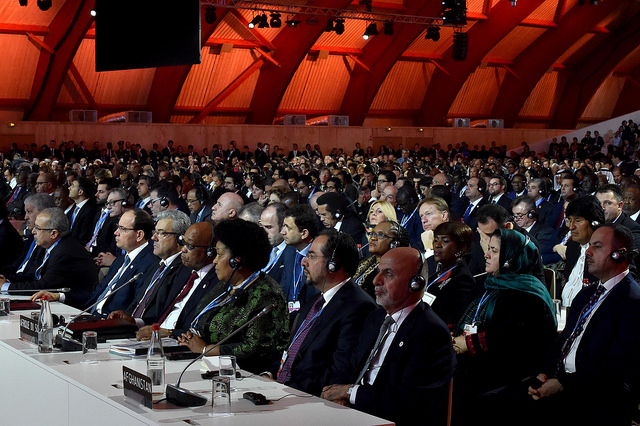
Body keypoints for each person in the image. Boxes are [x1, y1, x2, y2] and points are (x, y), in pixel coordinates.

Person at [320, 247, 455, 426]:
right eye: (378, 272)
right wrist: (340, 396)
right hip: (352, 413)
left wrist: (351, 394)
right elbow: (349, 366)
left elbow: (408, 401)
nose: (376, 280)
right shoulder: (375, 318)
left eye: (388, 274)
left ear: (416, 283)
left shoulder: (431, 332)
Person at [524, 224, 640, 426]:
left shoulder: (632, 300)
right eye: (589, 246)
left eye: (597, 246)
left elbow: (615, 367)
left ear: (618, 255)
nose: (588, 251)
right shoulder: (587, 294)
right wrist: (544, 374)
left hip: (598, 397)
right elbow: (563, 342)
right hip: (565, 386)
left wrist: (561, 384)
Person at [452, 229, 557, 414]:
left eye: (494, 250)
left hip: (506, 373)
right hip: (473, 363)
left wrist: (469, 343)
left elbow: (513, 340)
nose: (486, 254)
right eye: (488, 248)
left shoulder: (528, 295)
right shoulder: (487, 282)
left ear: (510, 257)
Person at [177, 219, 289, 374]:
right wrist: (191, 338)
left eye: (220, 254)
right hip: (204, 365)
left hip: (244, 375)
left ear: (237, 260)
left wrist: (205, 349)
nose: (214, 260)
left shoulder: (266, 294)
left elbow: (257, 348)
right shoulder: (224, 286)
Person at [275, 230, 377, 396]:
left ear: (333, 264)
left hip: (307, 399)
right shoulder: (315, 300)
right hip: (284, 389)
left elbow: (339, 373)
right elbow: (292, 353)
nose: (303, 262)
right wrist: (269, 375)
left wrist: (287, 388)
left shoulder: (358, 307)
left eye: (312, 256)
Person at [108, 210, 192, 326]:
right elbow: (137, 302)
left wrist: (135, 322)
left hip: (149, 332)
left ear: (180, 239)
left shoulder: (183, 269)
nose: (153, 238)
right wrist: (124, 315)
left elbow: (162, 311)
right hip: (131, 328)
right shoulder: (156, 265)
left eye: (161, 233)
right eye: (155, 232)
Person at [4, 208, 97, 309]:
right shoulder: (51, 245)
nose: (33, 231)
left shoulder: (66, 252)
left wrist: (6, 287)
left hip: (72, 307)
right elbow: (32, 275)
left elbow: (44, 286)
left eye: (38, 228)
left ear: (53, 233)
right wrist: (6, 281)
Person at [425, 222, 476, 328]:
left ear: (461, 248)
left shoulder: (462, 279)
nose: (437, 245)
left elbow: (451, 319)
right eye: (435, 240)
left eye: (445, 241)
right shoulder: (440, 271)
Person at [561, 196, 605, 308]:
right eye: (570, 220)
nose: (571, 227)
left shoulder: (605, 252)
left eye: (578, 221)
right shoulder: (572, 247)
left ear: (595, 223)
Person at [354, 221, 409, 299]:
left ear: (394, 244)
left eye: (380, 235)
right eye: (372, 234)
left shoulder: (393, 272)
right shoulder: (364, 261)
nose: (372, 238)